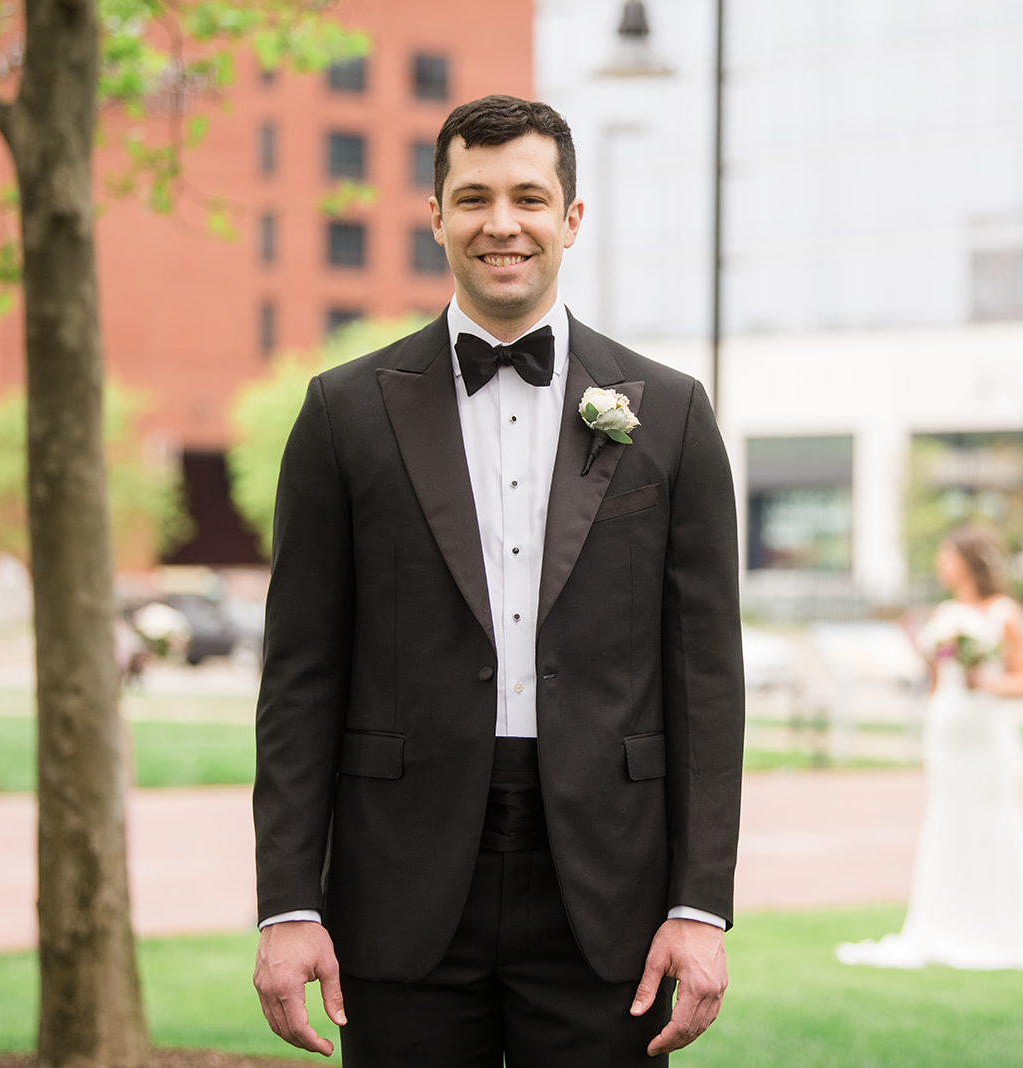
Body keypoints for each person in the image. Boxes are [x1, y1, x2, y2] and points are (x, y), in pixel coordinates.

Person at [251, 95, 745, 1065]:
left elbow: (706, 682)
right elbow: (300, 677)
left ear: (571, 218)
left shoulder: (673, 414)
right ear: (434, 215)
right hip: (398, 883)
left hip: (609, 890)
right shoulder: (342, 413)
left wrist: (700, 904)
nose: (501, 224)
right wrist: (288, 903)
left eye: (529, 196)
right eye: (472, 197)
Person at [837, 524, 1023, 972]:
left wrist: (986, 681)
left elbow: (1022, 679)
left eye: (946, 555)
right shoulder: (944, 615)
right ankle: (945, 922)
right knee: (947, 824)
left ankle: (1001, 923)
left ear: (967, 560)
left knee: (995, 823)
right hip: (948, 735)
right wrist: (930, 735)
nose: (941, 564)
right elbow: (938, 684)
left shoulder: (1005, 612)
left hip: (988, 737)